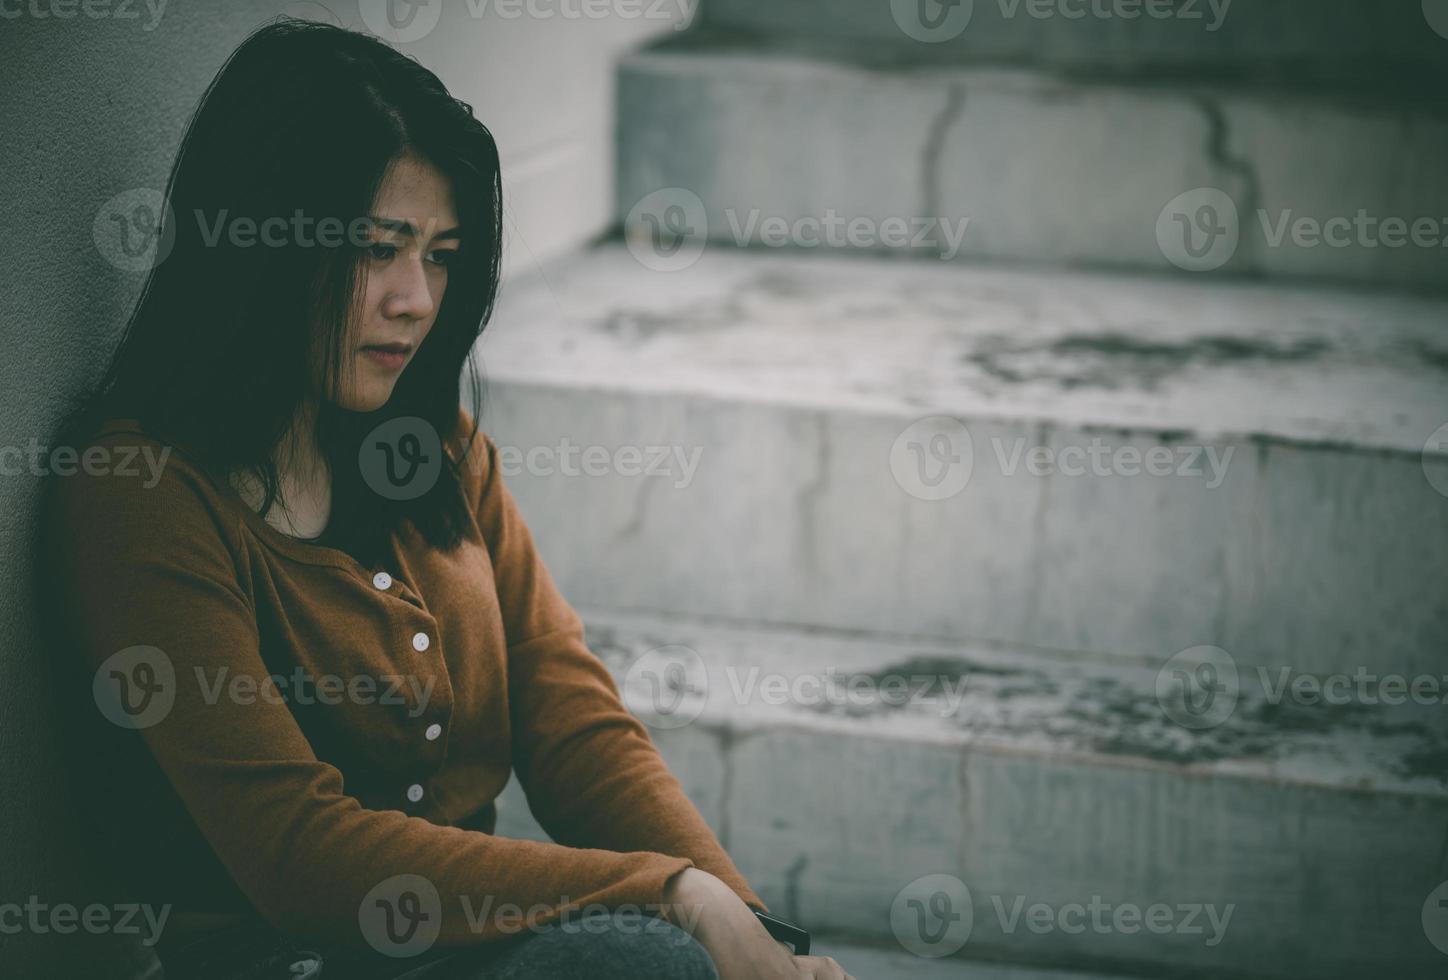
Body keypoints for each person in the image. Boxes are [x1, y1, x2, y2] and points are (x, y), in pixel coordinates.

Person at [37, 17, 854, 980]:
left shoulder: (436, 451)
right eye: (378, 248)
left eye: (440, 254)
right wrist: (670, 891)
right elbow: (297, 853)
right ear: (266, 245)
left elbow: (573, 725)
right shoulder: (142, 493)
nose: (416, 298)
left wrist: (752, 931)